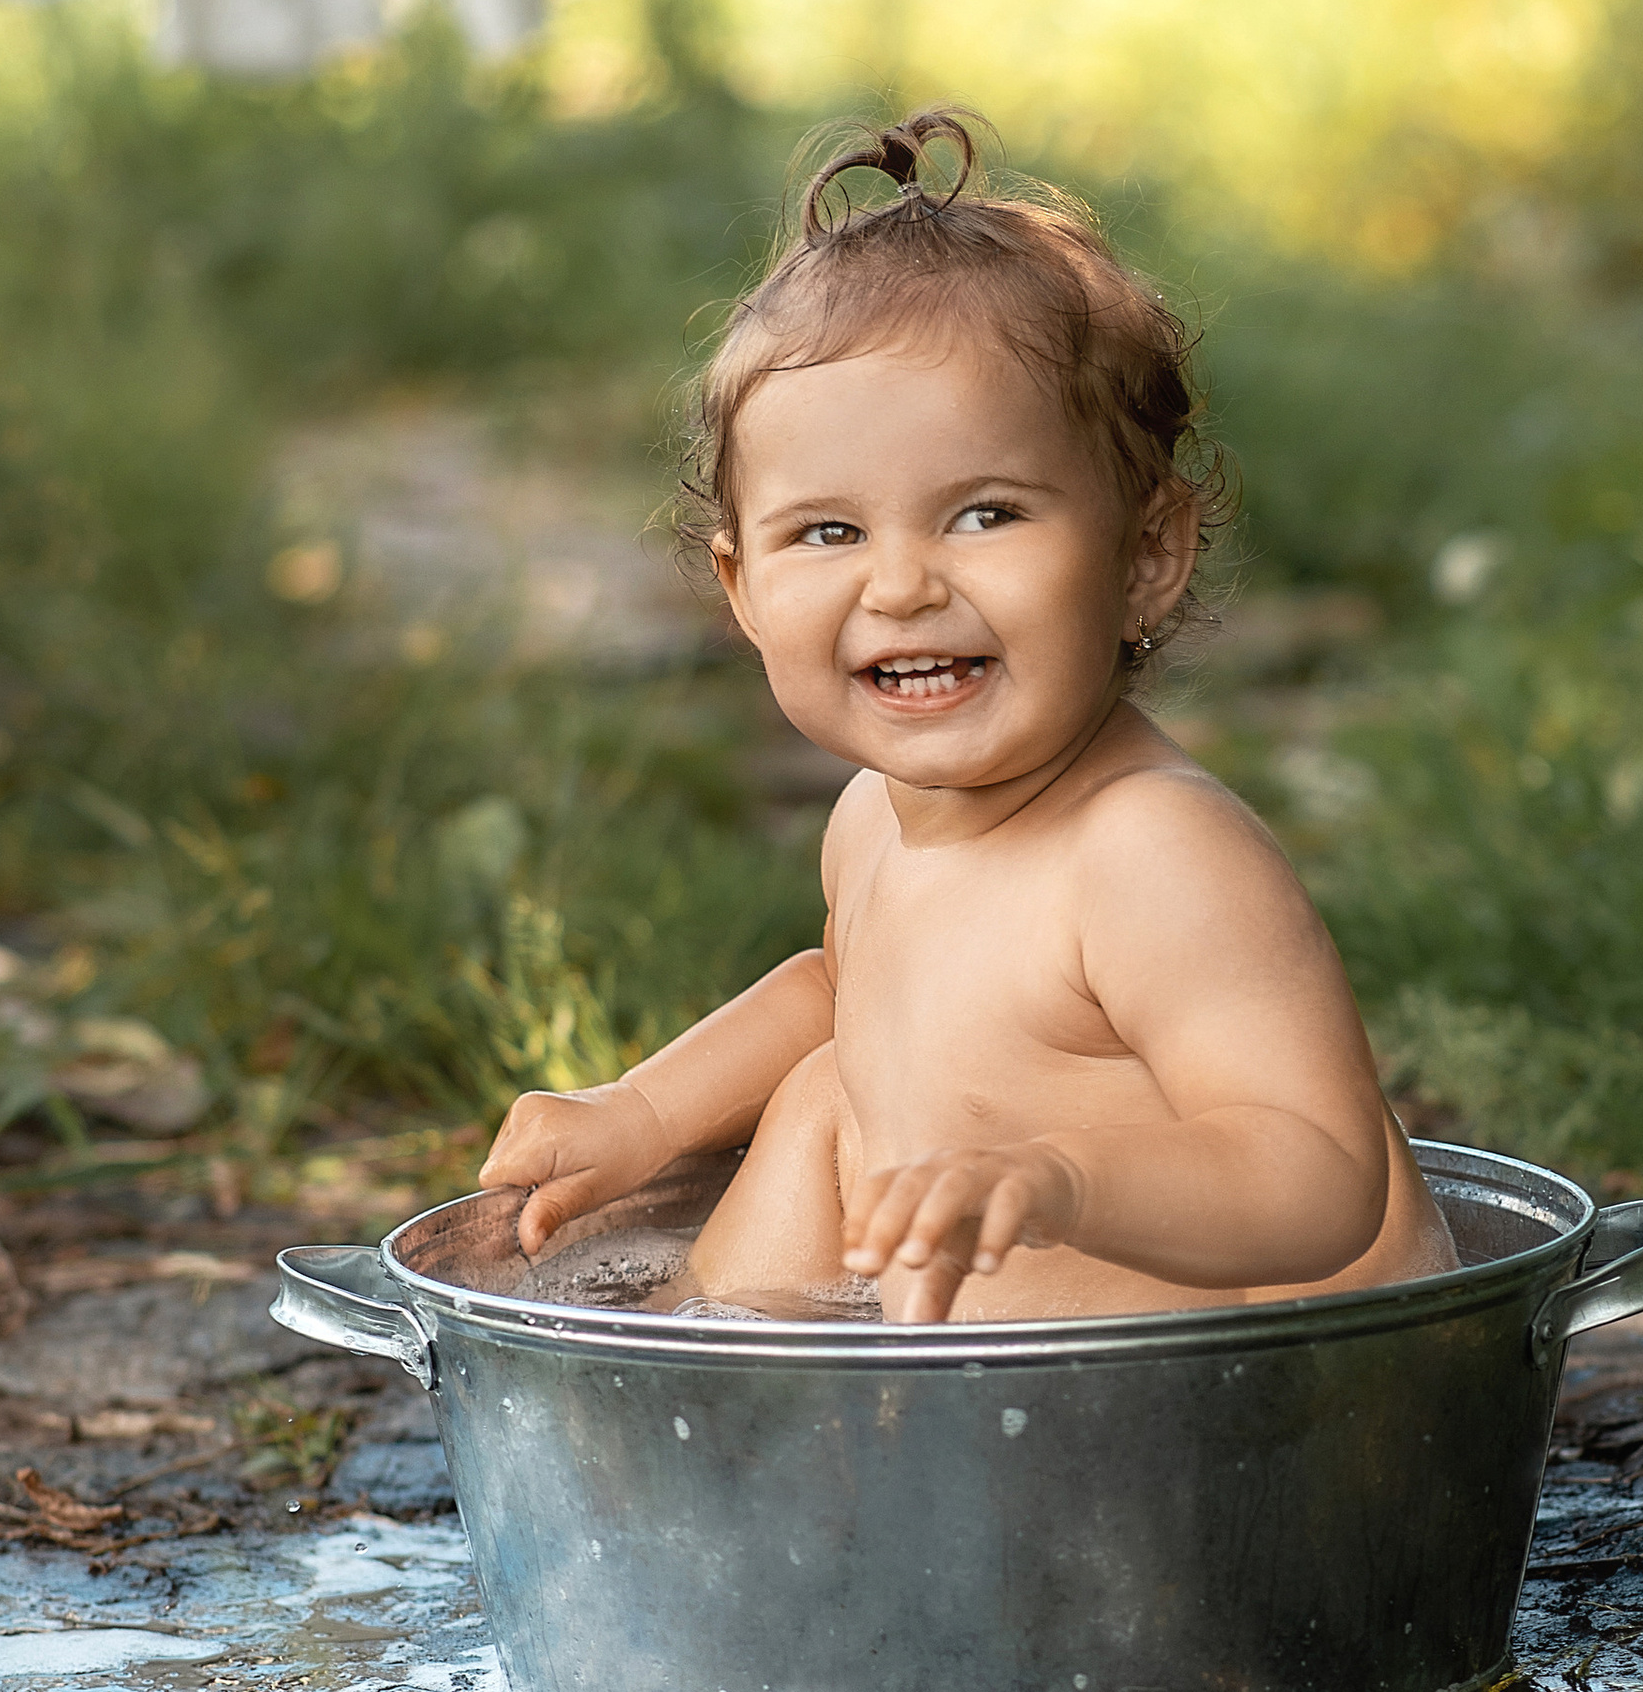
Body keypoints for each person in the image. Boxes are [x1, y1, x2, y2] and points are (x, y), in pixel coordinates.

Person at [479, 113, 1455, 1326]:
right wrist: (642, 1113)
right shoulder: (869, 820)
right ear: (741, 591)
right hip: (981, 1412)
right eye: (829, 533)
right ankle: (704, 1373)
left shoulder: (1150, 855)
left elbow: (1316, 1179)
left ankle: (746, 1426)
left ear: (1145, 554)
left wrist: (1062, 1177)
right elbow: (850, 988)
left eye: (984, 515)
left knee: (846, 1100)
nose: (900, 586)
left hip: (1241, 1412)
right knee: (832, 1088)